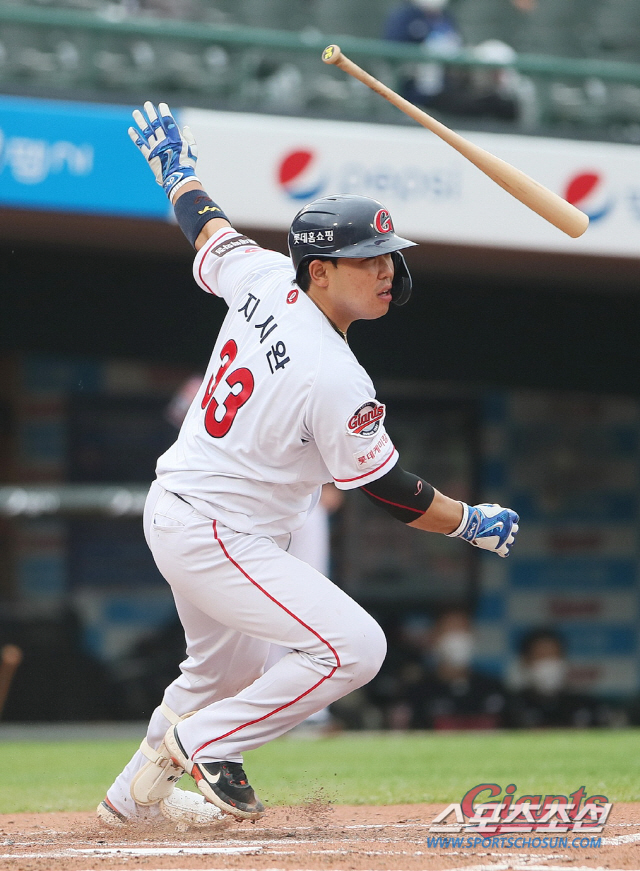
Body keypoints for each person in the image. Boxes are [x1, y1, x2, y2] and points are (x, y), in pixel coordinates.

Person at [97, 101, 519, 828]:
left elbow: (207, 226)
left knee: (219, 674)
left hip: (190, 514)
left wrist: (175, 170)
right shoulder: (334, 374)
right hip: (217, 529)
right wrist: (468, 522)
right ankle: (207, 743)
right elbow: (390, 490)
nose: (386, 270)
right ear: (321, 271)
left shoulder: (265, 273)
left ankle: (131, 802)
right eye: (367, 259)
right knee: (355, 647)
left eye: (388, 256)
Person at [383, 0, 519, 121]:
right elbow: (393, 51)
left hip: (451, 85)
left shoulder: (446, 17)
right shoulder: (405, 16)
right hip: (423, 91)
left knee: (497, 104)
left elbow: (458, 48)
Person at [505, 628, 621, 729]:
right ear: (525, 662)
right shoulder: (511, 706)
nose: (549, 664)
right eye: (541, 656)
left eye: (554, 656)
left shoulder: (585, 705)